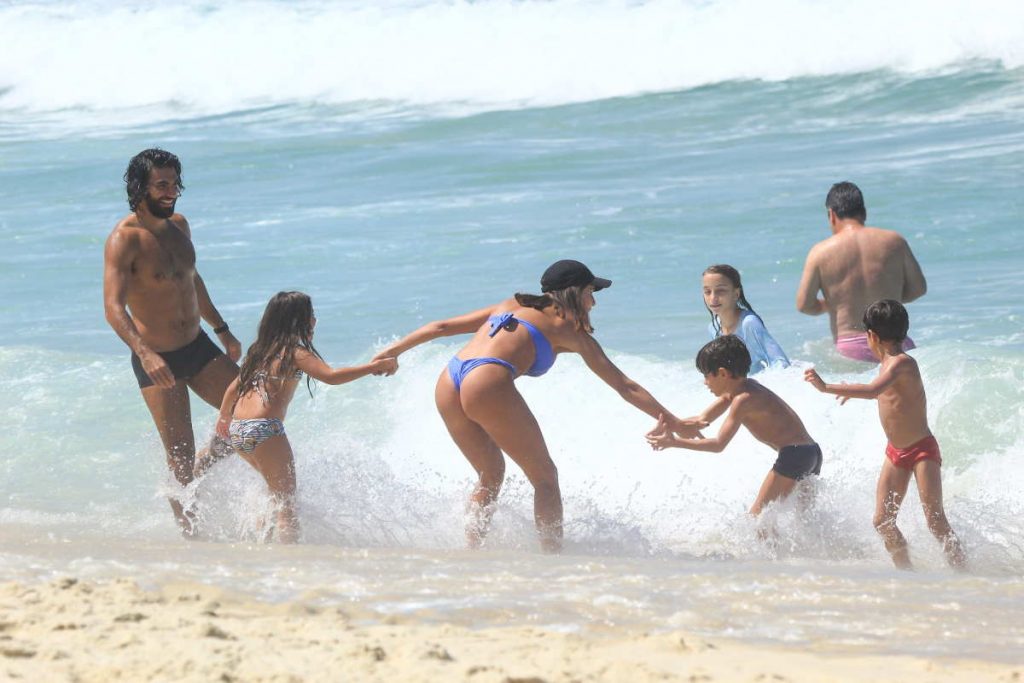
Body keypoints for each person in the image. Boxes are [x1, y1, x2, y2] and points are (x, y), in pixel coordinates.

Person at [372, 259, 701, 553]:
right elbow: (624, 386)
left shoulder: (511, 304)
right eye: (590, 292)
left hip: (450, 379)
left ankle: (470, 551)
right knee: (545, 477)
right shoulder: (569, 331)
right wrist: (673, 421)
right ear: (573, 293)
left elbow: (441, 328)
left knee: (490, 474)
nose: (594, 300)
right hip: (485, 381)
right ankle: (551, 558)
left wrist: (393, 351)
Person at [103, 148, 241, 537]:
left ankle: (207, 463)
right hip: (157, 358)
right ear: (140, 188)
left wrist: (222, 328)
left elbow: (192, 281)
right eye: (161, 184)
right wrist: (144, 354)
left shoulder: (180, 225)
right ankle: (193, 540)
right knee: (178, 459)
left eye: (174, 183)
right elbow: (113, 309)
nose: (171, 191)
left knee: (251, 416)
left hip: (198, 348)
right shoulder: (123, 240)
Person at [214, 291, 397, 543]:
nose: (314, 319)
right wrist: (374, 367)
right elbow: (331, 376)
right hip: (265, 429)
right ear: (298, 320)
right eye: (311, 314)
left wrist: (224, 419)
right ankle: (290, 563)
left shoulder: (260, 351)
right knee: (287, 505)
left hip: (238, 430)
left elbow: (233, 388)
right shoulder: (295, 352)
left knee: (274, 495)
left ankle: (259, 550)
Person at [804, 300, 966, 570]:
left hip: (922, 451)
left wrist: (825, 387)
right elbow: (873, 388)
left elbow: (871, 391)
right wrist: (849, 387)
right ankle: (906, 573)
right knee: (882, 521)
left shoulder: (902, 363)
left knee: (936, 521)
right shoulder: (888, 363)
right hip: (896, 453)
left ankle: (965, 572)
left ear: (872, 336)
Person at [647, 335, 821, 520]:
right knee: (804, 522)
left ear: (722, 373)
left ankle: (771, 550)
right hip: (812, 453)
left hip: (794, 455)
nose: (705, 382)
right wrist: (669, 426)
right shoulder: (746, 388)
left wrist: (674, 442)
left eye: (706, 376)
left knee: (758, 519)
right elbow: (700, 420)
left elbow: (718, 445)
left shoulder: (742, 400)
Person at [796, 181, 926, 362]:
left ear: (832, 215)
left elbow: (804, 305)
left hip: (852, 350)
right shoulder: (895, 241)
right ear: (864, 212)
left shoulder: (820, 252)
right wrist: (887, 300)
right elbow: (918, 289)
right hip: (899, 346)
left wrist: (835, 303)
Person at [702, 264, 789, 373]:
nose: (713, 298)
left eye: (720, 291)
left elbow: (781, 362)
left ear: (736, 293)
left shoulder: (749, 323)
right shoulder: (714, 328)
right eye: (707, 291)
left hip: (756, 387)